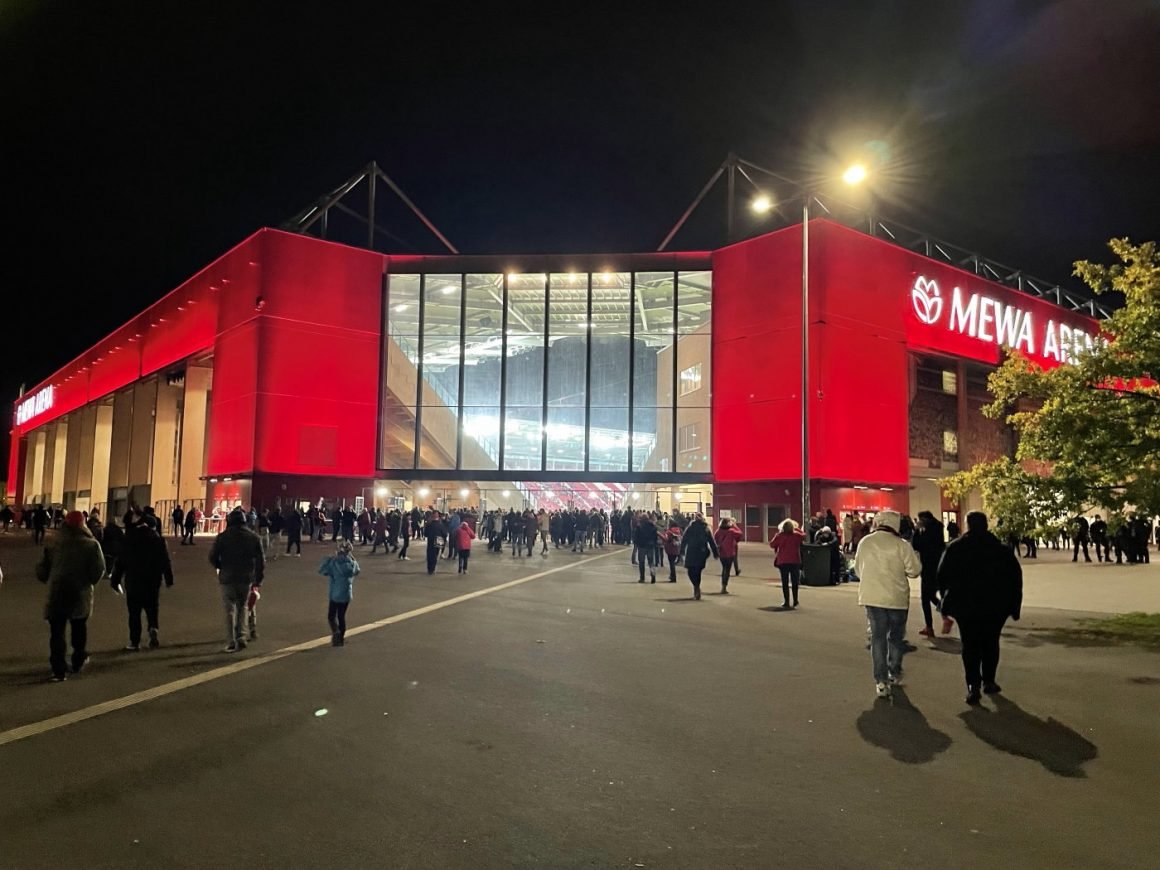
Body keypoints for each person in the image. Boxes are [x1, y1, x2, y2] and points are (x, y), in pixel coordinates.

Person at [937, 511, 1023, 705]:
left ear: (967, 525)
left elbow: (942, 576)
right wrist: (1014, 605)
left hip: (966, 605)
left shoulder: (955, 548)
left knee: (970, 645)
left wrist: (946, 601)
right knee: (991, 643)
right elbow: (1015, 579)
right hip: (995, 605)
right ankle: (989, 680)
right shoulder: (1001, 549)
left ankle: (973, 685)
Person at [853, 510, 922, 699]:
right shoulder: (902, 545)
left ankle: (881, 681)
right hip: (896, 597)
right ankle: (894, 670)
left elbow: (858, 570)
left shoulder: (865, 542)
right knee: (896, 637)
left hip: (872, 597)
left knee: (878, 638)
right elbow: (915, 570)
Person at [37, 511, 106, 681]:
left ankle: (58, 670)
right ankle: (78, 660)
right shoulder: (91, 545)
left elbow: (42, 570)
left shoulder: (55, 543)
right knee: (78, 627)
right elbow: (99, 569)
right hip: (80, 592)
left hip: (58, 591)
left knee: (57, 632)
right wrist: (89, 581)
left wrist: (48, 577)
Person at [111, 509, 175, 650]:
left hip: (133, 580)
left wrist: (115, 580)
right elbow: (165, 561)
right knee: (152, 607)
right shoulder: (158, 540)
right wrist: (168, 578)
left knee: (134, 612)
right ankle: (153, 627)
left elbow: (120, 562)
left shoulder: (129, 539)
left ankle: (135, 642)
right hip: (153, 580)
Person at [209, 509, 265, 653]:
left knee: (229, 610)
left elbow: (212, 557)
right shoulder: (253, 537)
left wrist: (220, 566)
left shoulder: (223, 537)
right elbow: (261, 561)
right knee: (243, 607)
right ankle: (241, 636)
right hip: (245, 577)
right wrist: (258, 579)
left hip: (227, 577)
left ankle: (231, 640)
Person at [911, 510, 946, 638]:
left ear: (924, 519)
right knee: (931, 595)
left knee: (925, 598)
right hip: (939, 568)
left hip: (928, 568)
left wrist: (916, 531)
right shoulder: (938, 529)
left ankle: (930, 626)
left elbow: (916, 545)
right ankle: (945, 614)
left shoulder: (927, 532)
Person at [319, 540, 360, 646]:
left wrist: (328, 559)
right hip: (346, 594)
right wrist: (353, 559)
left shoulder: (334, 563)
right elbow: (357, 571)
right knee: (341, 616)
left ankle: (336, 632)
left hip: (335, 594)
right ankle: (340, 639)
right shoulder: (352, 563)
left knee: (331, 616)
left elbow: (322, 570)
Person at [769, 519, 807, 610]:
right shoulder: (797, 535)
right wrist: (797, 529)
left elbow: (772, 544)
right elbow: (804, 536)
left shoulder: (779, 536)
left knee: (785, 582)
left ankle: (786, 601)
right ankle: (795, 600)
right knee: (795, 582)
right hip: (795, 561)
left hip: (783, 561)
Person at [679, 513, 718, 600]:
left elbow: (684, 540)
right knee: (697, 571)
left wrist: (682, 551)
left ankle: (696, 587)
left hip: (693, 552)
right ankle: (696, 587)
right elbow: (712, 541)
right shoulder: (702, 528)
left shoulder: (693, 528)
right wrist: (715, 552)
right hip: (700, 552)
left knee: (691, 571)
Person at [713, 517, 742, 594]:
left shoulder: (718, 531)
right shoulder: (731, 531)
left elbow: (715, 539)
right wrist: (734, 525)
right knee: (727, 570)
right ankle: (724, 587)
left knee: (724, 569)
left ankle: (723, 585)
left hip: (722, 553)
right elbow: (740, 533)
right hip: (730, 553)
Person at [634, 513, 659, 583]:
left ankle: (642, 578)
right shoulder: (652, 525)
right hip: (650, 546)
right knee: (651, 562)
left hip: (642, 546)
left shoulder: (639, 526)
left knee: (641, 562)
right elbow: (655, 536)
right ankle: (653, 576)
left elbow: (636, 537)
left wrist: (637, 544)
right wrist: (654, 543)